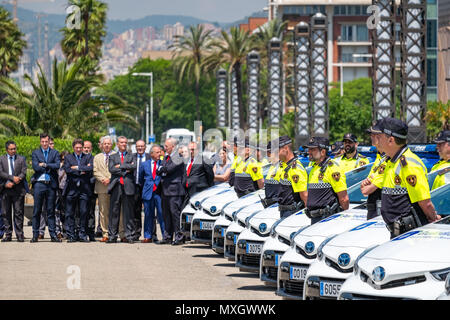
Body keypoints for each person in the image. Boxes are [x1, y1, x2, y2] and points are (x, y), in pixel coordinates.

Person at [377, 118, 440, 239]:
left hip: (410, 234)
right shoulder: (391, 162)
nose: (377, 140)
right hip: (397, 232)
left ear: (391, 140)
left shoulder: (409, 164)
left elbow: (425, 203)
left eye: (380, 137)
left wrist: (433, 219)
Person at [305, 137, 349, 225]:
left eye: (312, 149)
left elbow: (344, 198)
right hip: (315, 218)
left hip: (327, 219)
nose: (309, 152)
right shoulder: (315, 168)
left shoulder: (332, 168)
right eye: (309, 149)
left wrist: (343, 219)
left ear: (323, 152)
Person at [30, 133, 61, 243]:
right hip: (39, 184)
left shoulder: (55, 153)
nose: (44, 143)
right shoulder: (35, 153)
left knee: (51, 211)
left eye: (46, 142)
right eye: (42, 142)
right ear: (40, 142)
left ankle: (53, 235)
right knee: (37, 210)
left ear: (49, 142)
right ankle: (35, 234)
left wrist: (45, 165)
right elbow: (35, 167)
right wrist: (48, 166)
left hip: (51, 184)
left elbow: (57, 165)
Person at [107, 136, 136, 244]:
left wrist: (120, 166)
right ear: (117, 144)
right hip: (116, 187)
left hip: (128, 187)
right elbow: (111, 169)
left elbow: (134, 167)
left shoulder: (131, 156)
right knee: (114, 212)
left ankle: (129, 236)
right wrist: (126, 169)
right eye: (121, 142)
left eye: (125, 142)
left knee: (128, 213)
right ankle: (112, 236)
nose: (124, 144)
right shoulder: (113, 156)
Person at [94, 136, 124, 242]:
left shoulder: (117, 156)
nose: (107, 145)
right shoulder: (97, 157)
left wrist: (110, 179)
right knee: (103, 211)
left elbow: (119, 169)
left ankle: (121, 233)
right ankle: (105, 233)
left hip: (115, 186)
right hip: (102, 187)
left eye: (109, 143)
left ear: (112, 145)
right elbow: (95, 171)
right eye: (105, 143)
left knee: (118, 211)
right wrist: (103, 179)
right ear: (102, 145)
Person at [63, 139, 94, 242]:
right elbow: (67, 170)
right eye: (77, 147)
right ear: (73, 148)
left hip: (84, 189)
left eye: (80, 147)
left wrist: (76, 167)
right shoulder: (68, 157)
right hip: (71, 189)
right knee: (70, 213)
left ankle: (82, 234)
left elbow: (90, 169)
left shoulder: (88, 157)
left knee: (84, 212)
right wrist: (83, 169)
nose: (79, 149)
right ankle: (71, 235)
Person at [157, 138, 186, 245]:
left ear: (173, 146)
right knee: (166, 214)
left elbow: (168, 169)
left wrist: (162, 169)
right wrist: (162, 169)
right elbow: (159, 169)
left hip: (175, 190)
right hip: (165, 190)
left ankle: (179, 236)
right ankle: (167, 236)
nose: (164, 148)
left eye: (166, 146)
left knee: (175, 214)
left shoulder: (178, 157)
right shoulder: (166, 157)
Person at [360, 120, 388, 219]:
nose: (371, 137)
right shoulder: (379, 157)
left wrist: (367, 186)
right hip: (373, 209)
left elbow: (367, 190)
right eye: (371, 134)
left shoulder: (389, 159)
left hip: (381, 211)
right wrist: (366, 184)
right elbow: (365, 185)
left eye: (374, 134)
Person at [0, 140, 27, 242]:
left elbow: (23, 172)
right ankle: (8, 234)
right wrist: (10, 179)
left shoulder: (21, 159)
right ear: (7, 150)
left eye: (14, 148)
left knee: (18, 212)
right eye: (11, 149)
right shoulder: (1, 159)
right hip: (5, 189)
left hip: (18, 189)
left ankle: (20, 234)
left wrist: (16, 181)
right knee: (6, 213)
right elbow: (0, 172)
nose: (13, 151)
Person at [276, 136, 308, 218]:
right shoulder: (285, 166)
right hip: (284, 211)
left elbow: (304, 195)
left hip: (292, 212)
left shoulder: (295, 168)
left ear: (286, 148)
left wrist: (307, 215)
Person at [139, 144, 165, 243]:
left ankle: (165, 235)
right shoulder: (144, 164)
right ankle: (147, 236)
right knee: (148, 215)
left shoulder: (163, 163)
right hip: (148, 193)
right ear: (152, 154)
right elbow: (141, 179)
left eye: (160, 152)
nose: (159, 154)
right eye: (157, 152)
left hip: (159, 193)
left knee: (161, 214)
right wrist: (147, 187)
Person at [133, 139, 151, 241]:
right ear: (136, 147)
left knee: (149, 211)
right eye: (138, 146)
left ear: (145, 147)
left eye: (142, 146)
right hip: (135, 187)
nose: (140, 148)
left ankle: (150, 235)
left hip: (147, 188)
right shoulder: (132, 157)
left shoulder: (149, 157)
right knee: (136, 211)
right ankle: (136, 233)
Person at [83, 140, 96, 241]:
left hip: (91, 189)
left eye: (88, 147)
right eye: (85, 147)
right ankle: (81, 232)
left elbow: (95, 172)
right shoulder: (79, 158)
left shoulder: (94, 159)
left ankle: (91, 233)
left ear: (91, 148)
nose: (86, 149)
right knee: (81, 212)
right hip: (80, 189)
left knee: (91, 212)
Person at [56, 151, 69, 238]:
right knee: (57, 211)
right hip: (58, 191)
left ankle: (66, 231)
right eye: (62, 159)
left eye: (66, 159)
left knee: (67, 212)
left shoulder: (70, 167)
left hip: (67, 191)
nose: (64, 161)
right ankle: (58, 231)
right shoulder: (58, 167)